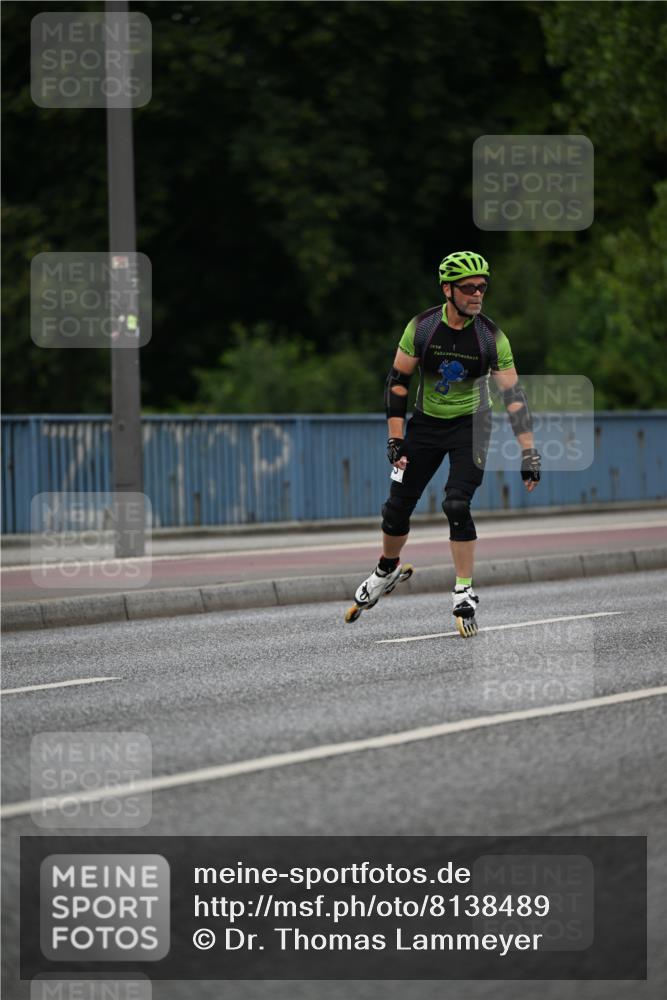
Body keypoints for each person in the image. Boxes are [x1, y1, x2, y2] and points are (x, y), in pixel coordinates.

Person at [352, 250, 541, 637]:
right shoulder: (422, 329)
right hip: (425, 425)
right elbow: (398, 382)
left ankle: (464, 590)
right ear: (447, 290)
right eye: (468, 288)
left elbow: (513, 396)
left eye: (482, 287)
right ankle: (386, 569)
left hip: (472, 425)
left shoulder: (490, 337)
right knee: (396, 508)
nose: (477, 294)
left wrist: (529, 451)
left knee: (456, 503)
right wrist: (395, 437)